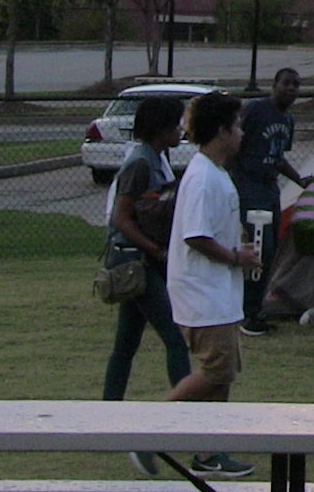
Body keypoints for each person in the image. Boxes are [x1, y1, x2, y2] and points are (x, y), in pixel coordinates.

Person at [164, 91, 263, 478]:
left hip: (220, 293)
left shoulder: (216, 173)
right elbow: (196, 236)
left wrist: (238, 250)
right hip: (201, 293)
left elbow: (211, 232)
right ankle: (146, 430)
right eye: (236, 126)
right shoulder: (203, 177)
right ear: (222, 131)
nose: (240, 133)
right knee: (215, 372)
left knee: (223, 375)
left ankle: (209, 453)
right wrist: (236, 257)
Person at [99, 96, 191, 475]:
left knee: (127, 343)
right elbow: (121, 217)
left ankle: (106, 417)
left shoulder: (156, 158)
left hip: (141, 259)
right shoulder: (140, 163)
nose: (180, 130)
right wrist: (156, 250)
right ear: (159, 129)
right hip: (134, 260)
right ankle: (189, 417)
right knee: (174, 336)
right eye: (174, 124)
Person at [233, 68, 307, 336]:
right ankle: (245, 313)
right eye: (286, 83)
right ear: (274, 84)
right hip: (249, 187)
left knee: (271, 251)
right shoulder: (256, 109)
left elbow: (278, 157)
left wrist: (299, 180)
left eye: (296, 85)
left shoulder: (287, 119)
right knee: (257, 248)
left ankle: (256, 308)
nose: (291, 89)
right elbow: (234, 144)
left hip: (270, 190)